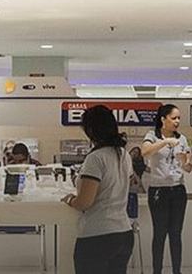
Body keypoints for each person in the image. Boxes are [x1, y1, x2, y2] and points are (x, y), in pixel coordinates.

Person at [61, 105, 134, 274]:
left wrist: (70, 199)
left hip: (97, 236)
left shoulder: (95, 158)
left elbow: (85, 202)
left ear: (91, 130)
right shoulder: (124, 154)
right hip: (123, 233)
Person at [141, 104, 192, 274]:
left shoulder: (182, 139)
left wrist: (185, 161)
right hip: (158, 190)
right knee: (160, 233)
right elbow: (145, 152)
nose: (177, 121)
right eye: (174, 118)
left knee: (176, 234)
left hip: (177, 189)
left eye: (179, 118)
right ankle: (157, 271)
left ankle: (177, 271)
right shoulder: (152, 135)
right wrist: (164, 142)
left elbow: (188, 168)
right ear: (163, 119)